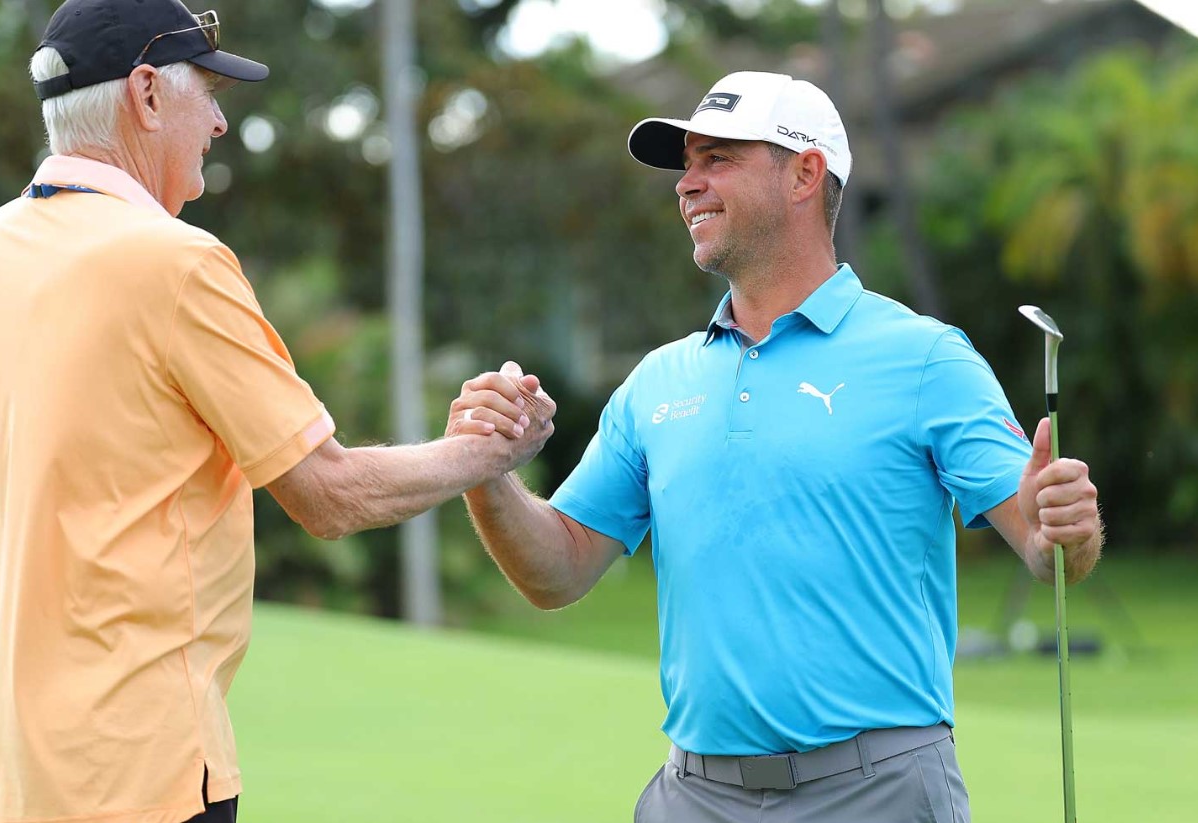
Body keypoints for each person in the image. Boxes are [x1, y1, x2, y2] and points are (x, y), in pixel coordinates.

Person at [0, 2, 548, 822]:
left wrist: (5, 682)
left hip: (0, 782)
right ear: (146, 96)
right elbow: (328, 493)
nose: (218, 123)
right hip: (149, 779)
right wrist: (486, 450)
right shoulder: (177, 263)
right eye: (207, 94)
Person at [448, 71, 1102, 822]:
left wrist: (1063, 527)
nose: (687, 184)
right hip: (691, 796)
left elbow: (1046, 548)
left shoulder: (927, 359)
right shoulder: (658, 381)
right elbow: (556, 570)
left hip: (878, 792)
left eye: (717, 158)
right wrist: (486, 471)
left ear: (804, 173)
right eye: (686, 164)